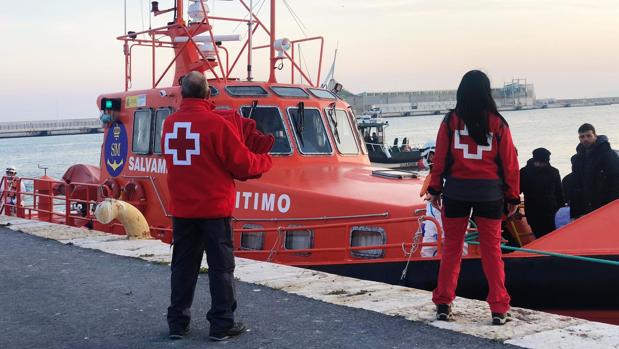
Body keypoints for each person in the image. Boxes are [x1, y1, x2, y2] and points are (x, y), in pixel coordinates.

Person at [161, 71, 273, 341]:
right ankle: (221, 324)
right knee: (221, 268)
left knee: (182, 267)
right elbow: (242, 165)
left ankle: (178, 323)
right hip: (214, 210)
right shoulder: (216, 124)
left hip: (183, 210)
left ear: (183, 94)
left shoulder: (169, 124)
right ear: (207, 94)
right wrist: (265, 160)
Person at [427, 70, 520, 325]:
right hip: (489, 195)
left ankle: (444, 302)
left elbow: (440, 159)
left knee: (452, 249)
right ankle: (499, 307)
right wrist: (513, 197)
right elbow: (510, 164)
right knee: (492, 252)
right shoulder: (498, 123)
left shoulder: (450, 122)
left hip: (456, 192)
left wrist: (435, 189)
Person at [569, 123, 619, 219]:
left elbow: (616, 178)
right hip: (587, 205)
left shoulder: (607, 154)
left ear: (595, 136)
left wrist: (613, 204)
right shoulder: (578, 158)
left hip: (606, 202)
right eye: (582, 137)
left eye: (588, 135)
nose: (585, 139)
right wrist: (575, 212)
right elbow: (576, 185)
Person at [519, 148, 564, 238]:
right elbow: (518, 190)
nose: (541, 164)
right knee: (542, 235)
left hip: (548, 211)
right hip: (535, 211)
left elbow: (559, 192)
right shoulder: (524, 172)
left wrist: (559, 207)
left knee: (549, 236)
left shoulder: (553, 172)